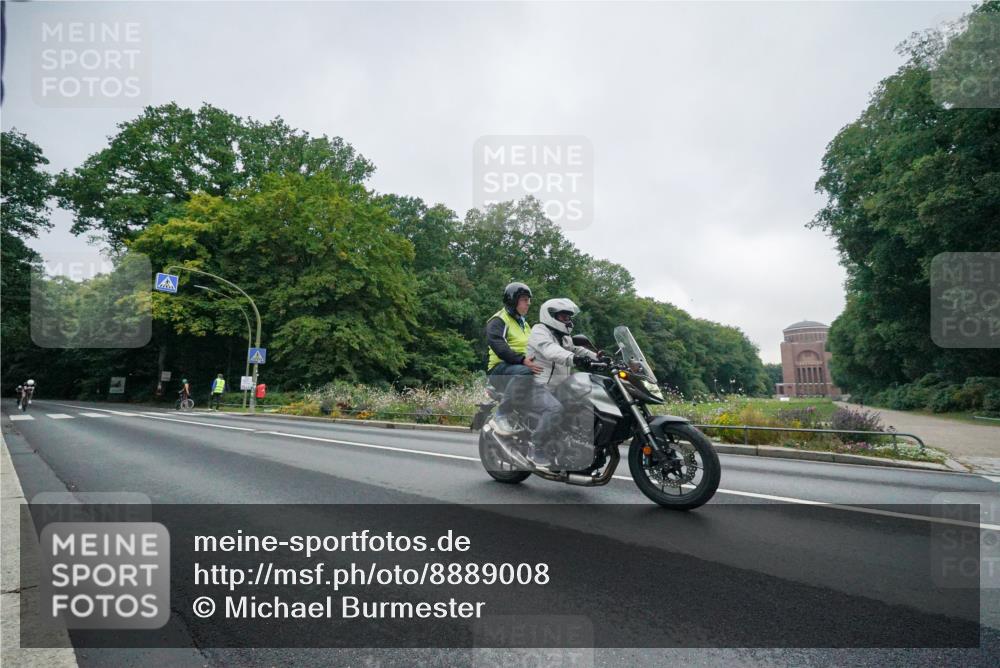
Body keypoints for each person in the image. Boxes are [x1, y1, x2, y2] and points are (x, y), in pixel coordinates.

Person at [524, 299, 599, 467]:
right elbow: (551, 350)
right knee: (554, 409)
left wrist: (597, 357)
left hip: (558, 387)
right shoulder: (539, 331)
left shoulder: (564, 337)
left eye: (569, 317)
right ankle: (536, 447)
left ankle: (574, 446)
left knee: (585, 403)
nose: (568, 321)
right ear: (551, 316)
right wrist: (575, 359)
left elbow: (576, 349)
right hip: (537, 385)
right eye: (564, 317)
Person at [485, 282, 542, 434]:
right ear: (512, 300)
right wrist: (523, 360)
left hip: (520, 368)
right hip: (500, 370)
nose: (528, 303)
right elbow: (499, 347)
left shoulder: (524, 323)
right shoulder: (498, 320)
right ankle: (500, 415)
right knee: (525, 372)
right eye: (524, 300)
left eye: (529, 300)